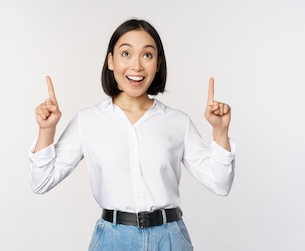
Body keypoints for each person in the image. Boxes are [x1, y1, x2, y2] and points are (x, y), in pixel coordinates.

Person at [28, 19, 235, 250]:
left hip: (170, 239)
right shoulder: (87, 121)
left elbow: (220, 184)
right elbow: (41, 182)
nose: (136, 66)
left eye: (147, 55)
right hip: (113, 240)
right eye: (126, 53)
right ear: (110, 61)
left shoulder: (177, 122)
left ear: (157, 64)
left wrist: (220, 131)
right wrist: (47, 131)